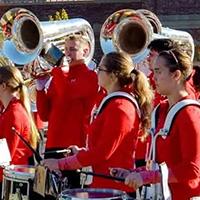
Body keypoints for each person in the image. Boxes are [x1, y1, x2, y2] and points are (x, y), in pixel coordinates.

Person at [42, 52, 153, 196]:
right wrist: (81, 152)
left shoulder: (120, 108)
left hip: (113, 190)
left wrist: (60, 164)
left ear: (113, 76)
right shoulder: (114, 103)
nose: (96, 73)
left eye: (100, 69)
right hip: (104, 186)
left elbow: (102, 153)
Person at [111, 46, 200, 200]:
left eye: (158, 72)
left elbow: (193, 169)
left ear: (176, 75)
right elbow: (162, 163)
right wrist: (137, 173)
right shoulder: (161, 109)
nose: (153, 77)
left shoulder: (190, 114)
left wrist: (148, 177)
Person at [36, 34, 99, 188]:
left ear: (85, 51)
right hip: (52, 145)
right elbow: (44, 115)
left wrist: (58, 71)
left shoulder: (90, 76)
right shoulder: (60, 76)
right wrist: (39, 88)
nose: (67, 54)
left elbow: (66, 94)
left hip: (72, 149)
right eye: (65, 50)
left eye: (73, 49)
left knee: (69, 192)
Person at [0, 64, 39, 193]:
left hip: (11, 181)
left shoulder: (14, 113)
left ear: (3, 86)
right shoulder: (9, 110)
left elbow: (5, 156)